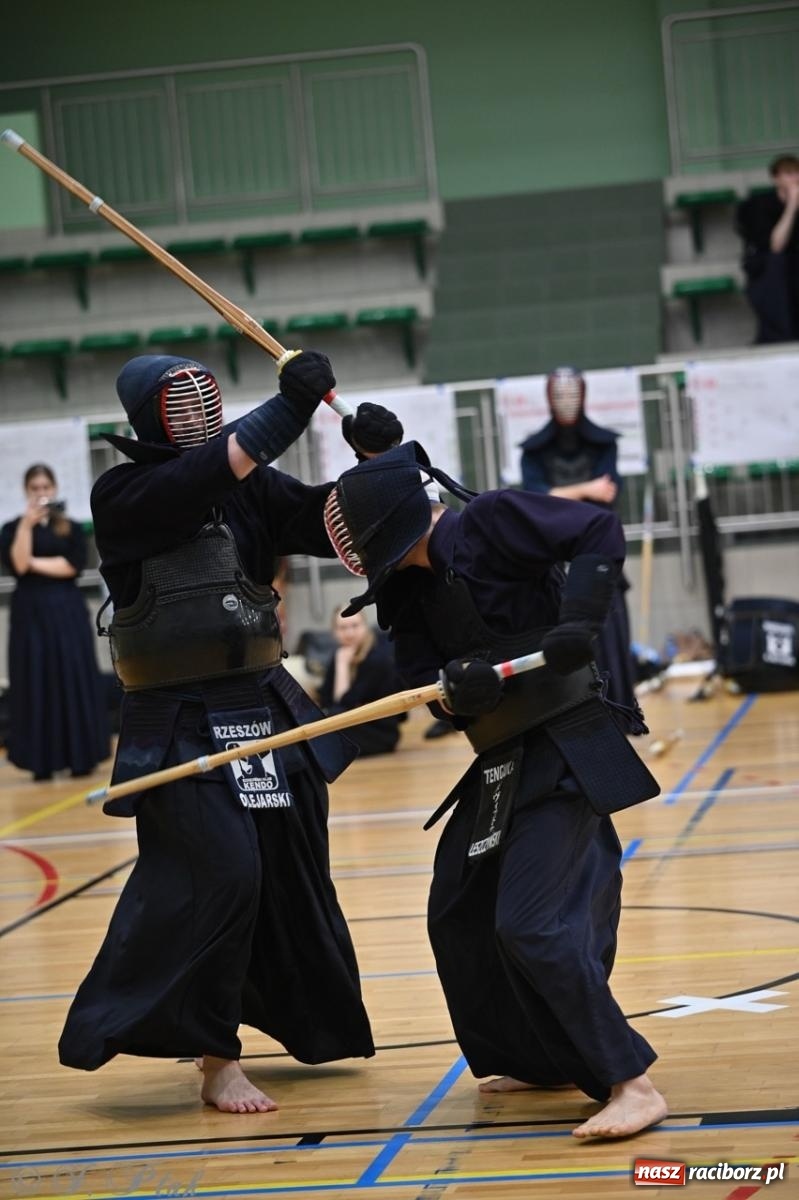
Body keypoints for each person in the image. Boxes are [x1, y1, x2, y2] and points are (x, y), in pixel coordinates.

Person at [57, 351, 402, 1114]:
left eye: (202, 396)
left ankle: (251, 1027)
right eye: (177, 402)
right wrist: (290, 409)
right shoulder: (127, 492)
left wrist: (379, 462)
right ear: (147, 416)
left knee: (282, 871)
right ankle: (216, 1058)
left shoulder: (247, 484)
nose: (196, 410)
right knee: (220, 874)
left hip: (263, 700)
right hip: (176, 717)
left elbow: (324, 517)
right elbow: (202, 477)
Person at [323, 441, 667, 1139]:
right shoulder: (406, 592)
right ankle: (537, 1058)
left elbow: (595, 529)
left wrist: (579, 620)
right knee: (458, 911)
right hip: (501, 760)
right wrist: (457, 695)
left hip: (565, 741)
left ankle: (629, 1081)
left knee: (531, 922)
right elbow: (429, 689)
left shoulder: (491, 522)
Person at [519, 367, 637, 712]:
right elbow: (537, 496)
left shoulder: (604, 444)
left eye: (572, 394)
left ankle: (617, 707)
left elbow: (609, 492)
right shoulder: (534, 451)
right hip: (553, 552)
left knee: (609, 631)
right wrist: (586, 489)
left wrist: (561, 494)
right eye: (559, 394)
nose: (566, 402)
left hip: (598, 549)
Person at [0, 463, 110, 781]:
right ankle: (41, 760)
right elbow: (18, 565)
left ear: (55, 488)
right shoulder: (12, 529)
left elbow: (72, 566)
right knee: (35, 678)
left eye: (45, 487)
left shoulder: (72, 528)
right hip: (29, 612)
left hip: (66, 609)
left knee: (72, 675)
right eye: (34, 488)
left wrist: (35, 562)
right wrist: (26, 526)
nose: (41, 493)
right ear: (26, 491)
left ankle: (81, 756)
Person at [318, 606, 405, 757]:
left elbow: (343, 704)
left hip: (380, 734)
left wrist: (342, 666)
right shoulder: (340, 655)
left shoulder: (376, 659)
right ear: (334, 632)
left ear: (365, 626)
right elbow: (326, 700)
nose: (349, 633)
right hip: (354, 725)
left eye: (355, 626)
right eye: (342, 628)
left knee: (332, 719)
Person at [736, 154, 799, 343]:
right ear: (775, 178)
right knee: (777, 266)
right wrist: (792, 206)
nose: (795, 178)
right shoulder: (760, 205)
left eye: (797, 173)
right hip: (768, 272)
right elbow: (776, 245)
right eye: (788, 173)